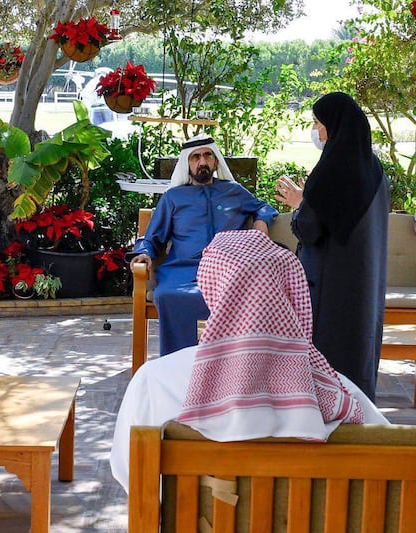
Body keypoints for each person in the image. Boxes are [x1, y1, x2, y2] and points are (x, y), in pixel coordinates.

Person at [111, 230, 387, 492]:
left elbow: (132, 476)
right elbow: (388, 473)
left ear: (214, 289)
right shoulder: (342, 397)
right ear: (288, 292)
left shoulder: (155, 383)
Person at [276, 92, 389, 401]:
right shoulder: (375, 170)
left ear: (334, 125)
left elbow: (309, 229)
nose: (317, 131)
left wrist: (300, 203)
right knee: (360, 347)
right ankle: (361, 413)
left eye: (318, 123)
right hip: (366, 283)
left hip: (331, 283)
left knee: (330, 352)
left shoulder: (330, 171)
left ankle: (328, 420)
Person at [127, 133, 278, 356]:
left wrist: (261, 223)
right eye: (195, 157)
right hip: (183, 270)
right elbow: (152, 237)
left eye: (208, 155)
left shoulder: (233, 192)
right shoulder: (174, 198)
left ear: (216, 161)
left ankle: (233, 368)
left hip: (228, 270)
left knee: (253, 294)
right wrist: (143, 253)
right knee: (169, 295)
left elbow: (263, 207)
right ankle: (178, 365)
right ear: (187, 163)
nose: (202, 161)